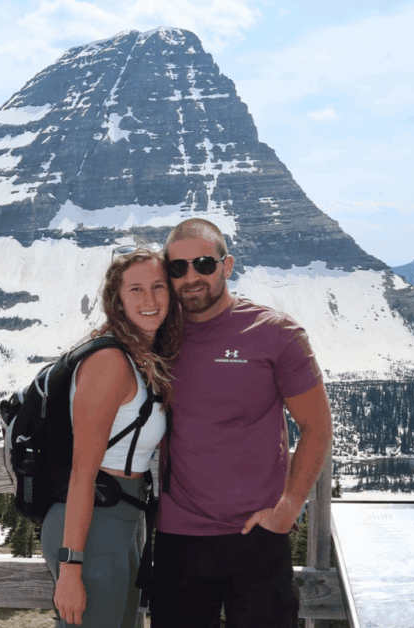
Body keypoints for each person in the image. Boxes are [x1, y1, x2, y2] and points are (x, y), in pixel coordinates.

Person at [150, 218, 333, 628]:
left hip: (258, 535)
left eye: (203, 264)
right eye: (178, 268)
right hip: (181, 538)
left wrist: (287, 510)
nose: (191, 277)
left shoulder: (276, 334)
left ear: (226, 265)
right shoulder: (158, 336)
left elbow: (318, 426)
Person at [41, 243, 184, 627]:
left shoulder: (139, 358)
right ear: (117, 300)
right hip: (91, 531)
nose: (150, 299)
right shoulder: (110, 363)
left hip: (120, 524)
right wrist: (71, 567)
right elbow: (81, 474)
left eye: (158, 286)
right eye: (135, 289)